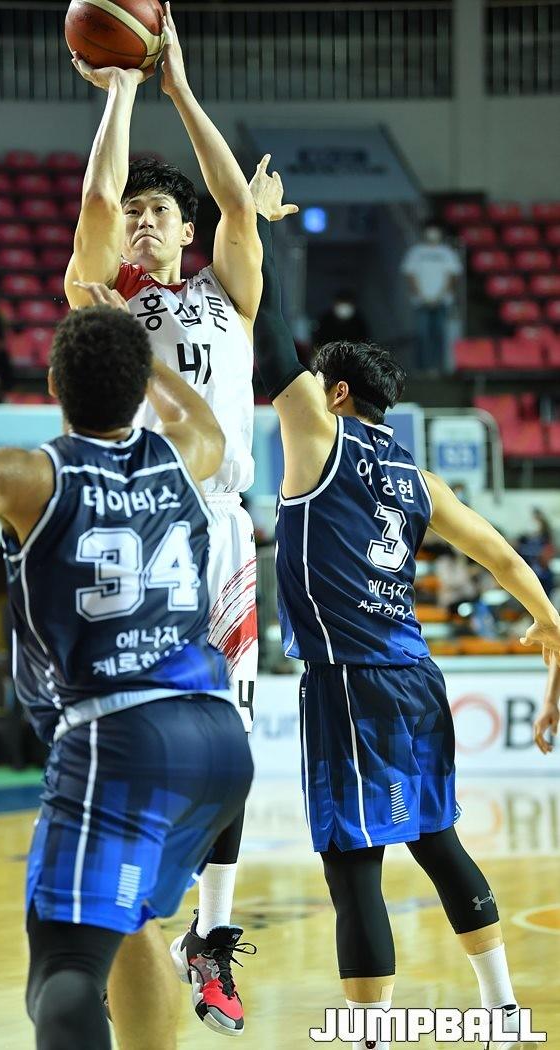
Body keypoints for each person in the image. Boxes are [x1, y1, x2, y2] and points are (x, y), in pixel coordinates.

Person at [0, 295, 254, 1050]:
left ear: (51, 384)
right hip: (214, 735)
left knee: (64, 972)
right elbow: (201, 418)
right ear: (139, 387)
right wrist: (145, 363)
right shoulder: (185, 454)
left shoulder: (26, 475)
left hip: (118, 735)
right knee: (131, 921)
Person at [249, 154, 560, 1050]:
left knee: (353, 868)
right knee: (438, 841)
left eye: (316, 388)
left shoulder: (320, 438)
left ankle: (371, 1038)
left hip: (350, 683)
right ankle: (503, 1016)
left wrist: (257, 229)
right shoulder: (422, 481)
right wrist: (547, 619)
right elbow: (503, 554)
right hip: (416, 677)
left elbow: (272, 340)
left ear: (338, 393)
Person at [65, 5, 271, 1036]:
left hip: (224, 532)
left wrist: (179, 86)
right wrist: (121, 93)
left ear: (186, 231)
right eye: (136, 212)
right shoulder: (108, 302)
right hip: (145, 528)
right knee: (145, 736)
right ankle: (127, 915)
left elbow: (236, 204)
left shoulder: (231, 291)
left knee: (233, 747)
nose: (142, 222)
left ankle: (211, 936)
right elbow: (96, 203)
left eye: (160, 212)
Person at [401, 219, 462, 374]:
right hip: (421, 302)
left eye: (435, 230)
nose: (432, 233)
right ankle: (421, 368)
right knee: (421, 334)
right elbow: (410, 275)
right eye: (430, 230)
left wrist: (439, 297)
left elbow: (452, 276)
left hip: (441, 302)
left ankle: (437, 368)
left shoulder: (447, 252)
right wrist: (422, 296)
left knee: (439, 335)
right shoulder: (416, 252)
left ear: (440, 233)